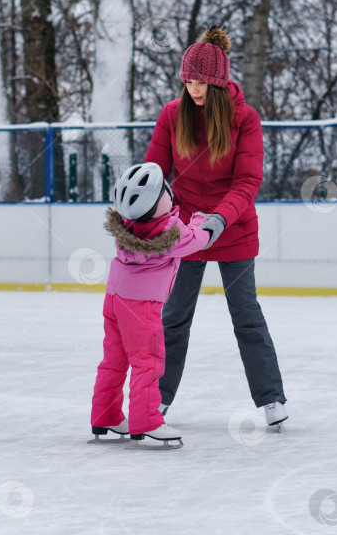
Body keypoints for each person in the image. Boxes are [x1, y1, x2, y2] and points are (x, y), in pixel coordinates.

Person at [144, 26, 288, 428]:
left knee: (246, 315)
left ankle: (272, 399)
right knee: (173, 316)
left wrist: (219, 220)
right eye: (188, 80)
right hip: (186, 232)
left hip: (234, 230)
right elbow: (156, 171)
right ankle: (157, 399)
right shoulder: (173, 115)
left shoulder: (245, 118)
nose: (194, 88)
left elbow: (247, 182)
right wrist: (147, 216)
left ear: (220, 81)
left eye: (202, 81)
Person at [90, 162, 211, 446]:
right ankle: (147, 421)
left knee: (114, 361)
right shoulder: (171, 233)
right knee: (149, 362)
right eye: (166, 192)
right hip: (142, 307)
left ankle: (105, 416)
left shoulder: (126, 225)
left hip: (114, 298)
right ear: (159, 200)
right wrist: (202, 219)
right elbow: (198, 238)